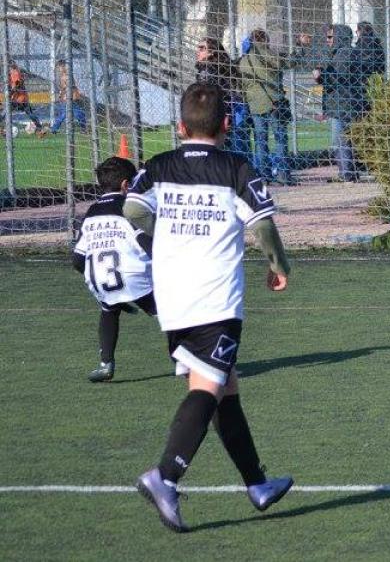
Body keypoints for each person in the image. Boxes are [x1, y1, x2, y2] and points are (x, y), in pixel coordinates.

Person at [123, 81, 293, 532]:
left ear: (180, 126)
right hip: (214, 300)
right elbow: (263, 225)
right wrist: (279, 265)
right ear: (227, 124)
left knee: (224, 387)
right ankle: (165, 476)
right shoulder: (235, 168)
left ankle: (257, 483)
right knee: (208, 388)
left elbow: (133, 210)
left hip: (172, 298)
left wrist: (160, 238)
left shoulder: (159, 165)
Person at [72, 156, 156, 383]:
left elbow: (77, 261)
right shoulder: (130, 209)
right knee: (169, 311)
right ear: (126, 185)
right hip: (135, 277)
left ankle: (105, 364)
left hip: (101, 280)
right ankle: (187, 360)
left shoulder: (91, 212)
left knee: (108, 309)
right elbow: (148, 245)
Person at [238, 29, 295, 185]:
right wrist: (299, 49)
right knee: (280, 139)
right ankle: (283, 174)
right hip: (274, 102)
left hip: (255, 104)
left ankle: (264, 175)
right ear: (265, 40)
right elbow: (285, 64)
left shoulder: (243, 60)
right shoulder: (266, 54)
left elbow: (243, 85)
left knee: (260, 141)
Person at [316, 24, 367, 182]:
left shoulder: (344, 54)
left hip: (343, 105)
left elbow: (338, 78)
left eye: (330, 37)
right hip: (344, 103)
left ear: (339, 37)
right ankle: (349, 172)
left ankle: (346, 174)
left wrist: (320, 76)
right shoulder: (343, 53)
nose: (328, 40)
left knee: (340, 141)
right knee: (346, 140)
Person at [195, 38, 248, 160]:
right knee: (228, 148)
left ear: (212, 52)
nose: (198, 51)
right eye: (198, 48)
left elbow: (205, 96)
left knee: (217, 150)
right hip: (225, 113)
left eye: (202, 48)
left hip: (215, 116)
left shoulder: (208, 70)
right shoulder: (220, 67)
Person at [7, 60, 46, 137]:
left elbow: (17, 84)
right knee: (30, 114)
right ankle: (40, 128)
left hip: (20, 99)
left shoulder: (15, 72)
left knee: (6, 112)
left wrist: (10, 93)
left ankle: (40, 128)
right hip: (19, 99)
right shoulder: (12, 73)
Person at [48, 59, 88, 134]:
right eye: (58, 68)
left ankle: (54, 129)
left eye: (60, 67)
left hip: (71, 98)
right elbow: (65, 87)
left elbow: (69, 86)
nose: (59, 70)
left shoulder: (67, 75)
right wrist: (62, 94)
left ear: (64, 66)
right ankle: (54, 129)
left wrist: (65, 93)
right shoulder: (64, 76)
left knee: (74, 114)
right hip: (68, 98)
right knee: (75, 113)